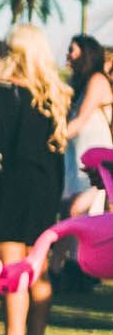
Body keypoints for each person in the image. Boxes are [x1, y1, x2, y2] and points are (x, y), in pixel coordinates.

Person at [0, 24, 73, 335]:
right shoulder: (53, 96)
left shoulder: (0, 92)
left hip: (8, 187)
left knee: (13, 270)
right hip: (44, 188)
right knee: (39, 270)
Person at [64, 35, 110, 216]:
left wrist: (54, 138)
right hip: (76, 157)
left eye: (72, 50)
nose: (67, 55)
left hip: (96, 160)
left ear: (86, 53)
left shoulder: (98, 80)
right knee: (70, 214)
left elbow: (81, 119)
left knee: (77, 210)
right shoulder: (76, 85)